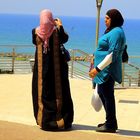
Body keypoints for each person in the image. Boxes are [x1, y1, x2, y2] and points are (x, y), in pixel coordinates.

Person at [32, 9, 74, 131]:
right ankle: (61, 121)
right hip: (58, 71)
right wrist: (59, 25)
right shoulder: (57, 32)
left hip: (41, 72)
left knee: (42, 94)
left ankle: (44, 120)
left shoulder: (35, 32)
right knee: (61, 94)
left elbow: (35, 43)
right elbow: (65, 38)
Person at [89, 9, 126, 133]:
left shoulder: (116, 32)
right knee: (103, 94)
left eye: (107, 18)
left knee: (108, 95)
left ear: (114, 19)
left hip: (107, 70)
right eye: (105, 18)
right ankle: (110, 121)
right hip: (103, 70)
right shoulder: (113, 31)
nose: (105, 20)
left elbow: (112, 54)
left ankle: (110, 124)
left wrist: (97, 68)